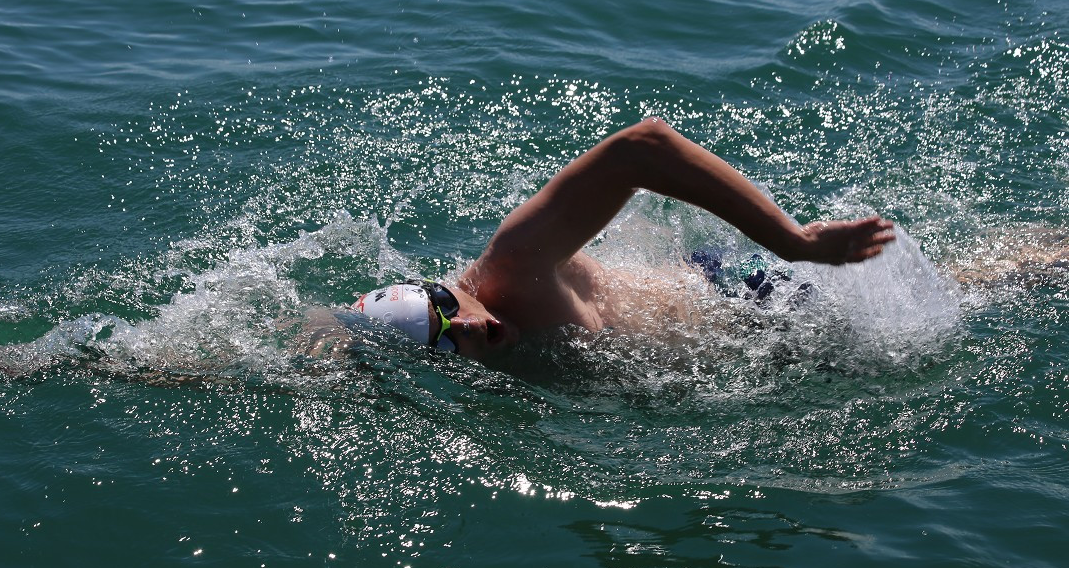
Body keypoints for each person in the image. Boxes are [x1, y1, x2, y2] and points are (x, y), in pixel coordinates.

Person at [351, 117, 896, 362]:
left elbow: (642, 147)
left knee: (965, 294)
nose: (473, 325)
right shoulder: (482, 370)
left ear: (441, 286)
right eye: (444, 340)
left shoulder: (514, 266)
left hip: (750, 302)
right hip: (719, 344)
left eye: (445, 305)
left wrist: (793, 242)